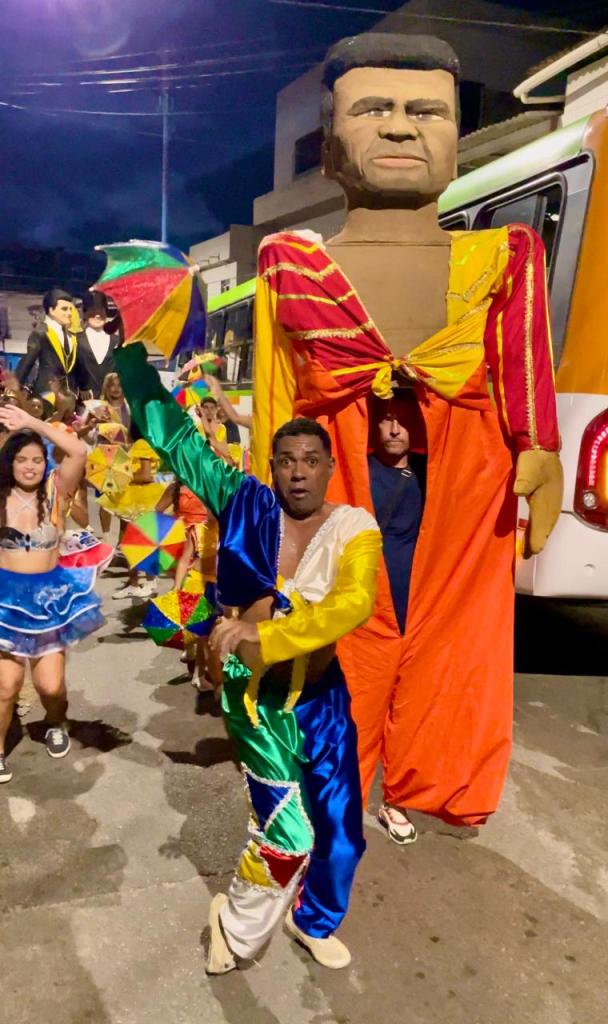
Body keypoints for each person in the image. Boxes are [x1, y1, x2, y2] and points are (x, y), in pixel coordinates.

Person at [250, 32, 563, 831]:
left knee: (458, 638)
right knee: (337, 629)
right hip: (338, 477)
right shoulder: (290, 263)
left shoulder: (506, 255)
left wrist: (540, 447)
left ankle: (432, 776)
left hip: (462, 481)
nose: (399, 126)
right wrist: (258, 523)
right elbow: (276, 392)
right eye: (373, 109)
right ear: (329, 150)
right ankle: (330, 787)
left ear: (456, 142)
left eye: (427, 111)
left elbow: (522, 359)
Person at [116, 341, 381, 973]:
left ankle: (312, 919)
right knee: (288, 837)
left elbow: (354, 603)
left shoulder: (355, 528)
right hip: (255, 702)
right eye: (286, 461)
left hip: (323, 701)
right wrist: (130, 359)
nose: (298, 473)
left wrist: (268, 635)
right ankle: (234, 929)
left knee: (343, 836)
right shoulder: (243, 502)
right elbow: (175, 437)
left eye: (310, 461)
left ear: (329, 467)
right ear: (271, 466)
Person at [0, 404, 104, 784]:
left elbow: (78, 450)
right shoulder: (1, 495)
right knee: (6, 686)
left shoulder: (56, 490)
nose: (29, 467)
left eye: (37, 460)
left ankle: (56, 720)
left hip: (48, 601)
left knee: (50, 686)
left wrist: (31, 422)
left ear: (46, 463)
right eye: (21, 460)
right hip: (5, 602)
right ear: (10, 463)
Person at [16, 289, 79, 395]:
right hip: (46, 393)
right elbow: (27, 362)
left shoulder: (71, 336)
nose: (69, 313)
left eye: (70, 309)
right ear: (51, 310)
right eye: (64, 309)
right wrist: (13, 389)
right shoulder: (41, 333)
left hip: (68, 394)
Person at [75, 293, 120, 398]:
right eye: (93, 311)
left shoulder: (117, 341)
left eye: (101, 310)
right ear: (85, 314)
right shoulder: (75, 340)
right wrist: (81, 388)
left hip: (111, 400)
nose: (97, 315)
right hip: (84, 400)